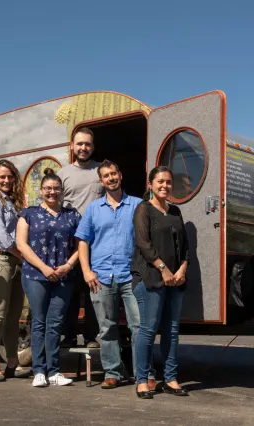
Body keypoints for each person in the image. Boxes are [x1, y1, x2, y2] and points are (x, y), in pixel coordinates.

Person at [76, 159, 156, 390]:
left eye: (114, 174)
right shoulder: (93, 209)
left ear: (120, 176)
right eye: (106, 176)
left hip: (132, 275)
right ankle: (113, 372)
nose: (111, 178)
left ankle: (146, 373)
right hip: (101, 276)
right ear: (101, 181)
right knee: (107, 327)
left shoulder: (138, 205)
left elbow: (147, 239)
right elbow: (83, 241)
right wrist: (86, 272)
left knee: (139, 326)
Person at [16, 168, 81, 387]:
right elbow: (21, 245)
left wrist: (68, 265)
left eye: (56, 189)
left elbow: (81, 245)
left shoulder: (72, 216)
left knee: (55, 324)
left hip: (64, 276)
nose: (52, 192)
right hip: (35, 275)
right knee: (39, 322)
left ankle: (54, 371)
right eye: (48, 189)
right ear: (41, 190)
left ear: (62, 191)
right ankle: (38, 371)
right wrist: (44, 268)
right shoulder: (28, 213)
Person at [131, 166, 190, 399]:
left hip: (176, 280)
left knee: (172, 331)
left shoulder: (175, 211)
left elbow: (185, 247)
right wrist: (164, 269)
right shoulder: (143, 209)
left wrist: (183, 269)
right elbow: (143, 243)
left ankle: (171, 378)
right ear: (150, 185)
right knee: (148, 329)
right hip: (150, 277)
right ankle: (142, 380)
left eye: (168, 182)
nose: (165, 186)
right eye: (160, 182)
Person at [0, 159, 31, 382]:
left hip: (16, 262)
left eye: (10, 176)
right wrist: (23, 255)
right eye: (2, 176)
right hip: (1, 261)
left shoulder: (11, 202)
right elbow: (1, 236)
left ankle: (12, 361)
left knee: (13, 317)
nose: (6, 180)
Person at [56, 127, 102, 348]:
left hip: (97, 240)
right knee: (70, 289)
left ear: (93, 147)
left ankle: (92, 336)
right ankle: (70, 334)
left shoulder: (101, 171)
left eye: (88, 144)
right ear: (72, 146)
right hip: (70, 241)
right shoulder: (63, 173)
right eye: (80, 144)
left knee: (93, 287)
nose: (83, 148)